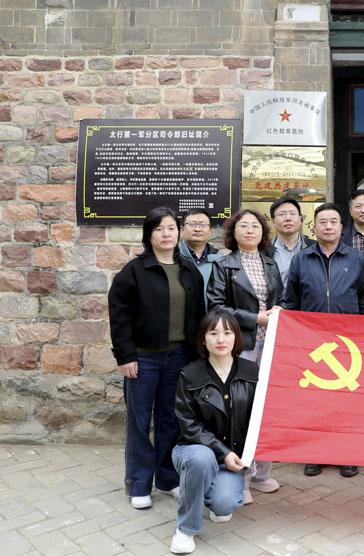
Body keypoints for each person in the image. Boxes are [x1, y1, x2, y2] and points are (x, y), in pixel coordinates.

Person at [108, 206, 205, 510]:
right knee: (139, 421)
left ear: (179, 232)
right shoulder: (134, 271)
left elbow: (198, 315)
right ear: (149, 235)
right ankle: (139, 483)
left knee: (171, 420)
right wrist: (125, 355)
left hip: (179, 357)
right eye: (159, 229)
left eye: (171, 228)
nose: (166, 234)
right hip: (143, 358)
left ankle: (167, 478)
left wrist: (197, 357)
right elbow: (119, 316)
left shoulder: (189, 271)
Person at [282, 202, 364, 477]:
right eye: (323, 222)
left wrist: (363, 335)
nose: (328, 226)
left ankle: (346, 453)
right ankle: (315, 453)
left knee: (347, 401)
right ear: (315, 227)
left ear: (341, 227)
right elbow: (292, 301)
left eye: (333, 221)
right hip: (313, 341)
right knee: (315, 401)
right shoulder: (301, 259)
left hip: (349, 342)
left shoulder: (357, 259)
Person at [207, 209, 283, 498]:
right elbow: (216, 307)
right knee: (240, 411)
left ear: (263, 232)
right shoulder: (223, 265)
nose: (250, 230)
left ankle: (262, 473)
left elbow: (281, 297)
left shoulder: (271, 263)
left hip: (271, 346)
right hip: (242, 347)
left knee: (266, 409)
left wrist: (279, 309)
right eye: (244, 226)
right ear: (233, 232)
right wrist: (255, 319)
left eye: (255, 226)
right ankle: (240, 479)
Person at [170, 310, 258, 554]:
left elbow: (260, 417)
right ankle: (185, 529)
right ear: (203, 339)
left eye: (227, 333)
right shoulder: (189, 374)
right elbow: (188, 424)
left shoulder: (252, 372)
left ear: (236, 337)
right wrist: (223, 453)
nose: (221, 339)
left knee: (224, 505)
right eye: (213, 333)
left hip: (231, 459)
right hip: (192, 450)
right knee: (202, 459)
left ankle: (205, 489)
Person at [264, 196, 315, 288]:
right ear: (273, 221)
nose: (288, 218)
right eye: (281, 214)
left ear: (299, 218)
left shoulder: (315, 247)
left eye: (292, 213)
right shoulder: (264, 250)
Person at [178, 208, 225, 297]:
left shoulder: (220, 260)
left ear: (210, 231)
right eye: (192, 224)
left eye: (203, 225)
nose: (197, 229)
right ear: (182, 230)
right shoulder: (172, 257)